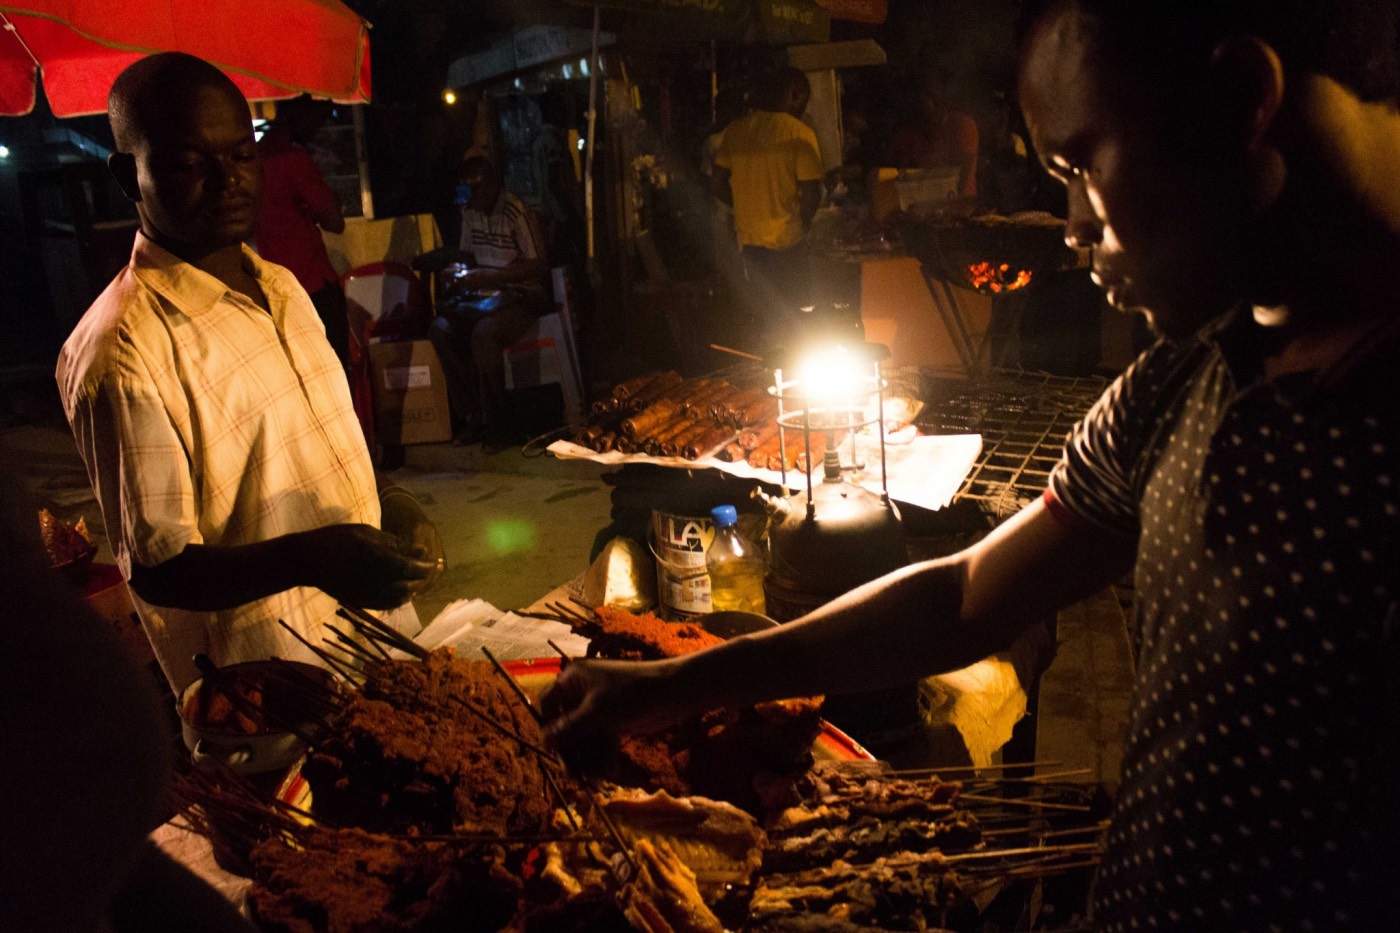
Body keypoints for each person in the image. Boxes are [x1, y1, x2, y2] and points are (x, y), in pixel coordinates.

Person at [542, 1, 1400, 928]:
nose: (1071, 224)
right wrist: (673, 686)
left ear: (1241, 100)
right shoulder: (1187, 376)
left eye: (1081, 166)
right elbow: (962, 595)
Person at [56, 52, 441, 695]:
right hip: (270, 691)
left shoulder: (283, 287)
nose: (230, 180)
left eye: (241, 155)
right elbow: (161, 569)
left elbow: (312, 446)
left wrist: (386, 507)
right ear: (130, 176)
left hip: (378, 648)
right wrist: (315, 558)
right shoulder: (122, 349)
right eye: (190, 163)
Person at [428, 155, 551, 446]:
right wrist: (456, 272)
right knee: (440, 329)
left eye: (478, 188)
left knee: (484, 334)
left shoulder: (513, 210)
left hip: (523, 294)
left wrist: (492, 279)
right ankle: (474, 413)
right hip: (486, 296)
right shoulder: (470, 213)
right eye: (467, 190)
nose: (471, 196)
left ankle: (500, 420)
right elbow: (469, 256)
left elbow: (538, 264)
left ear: (494, 184)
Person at [712, 67, 824, 348]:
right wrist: (806, 220)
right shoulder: (799, 134)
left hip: (750, 244)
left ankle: (768, 374)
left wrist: (743, 206)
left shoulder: (736, 132)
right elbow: (812, 191)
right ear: (794, 95)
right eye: (803, 99)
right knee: (799, 317)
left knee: (765, 319)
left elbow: (716, 184)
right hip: (789, 241)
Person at [253, 95, 350, 367]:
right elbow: (334, 221)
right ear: (299, 115)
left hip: (274, 287)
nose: (319, 126)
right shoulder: (294, 159)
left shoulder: (254, 160)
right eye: (317, 117)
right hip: (313, 283)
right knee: (335, 368)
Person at [891, 75, 980, 201]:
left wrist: (953, 201)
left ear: (938, 102)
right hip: (926, 203)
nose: (924, 121)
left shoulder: (962, 124)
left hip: (958, 203)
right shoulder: (919, 130)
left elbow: (962, 170)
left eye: (927, 112)